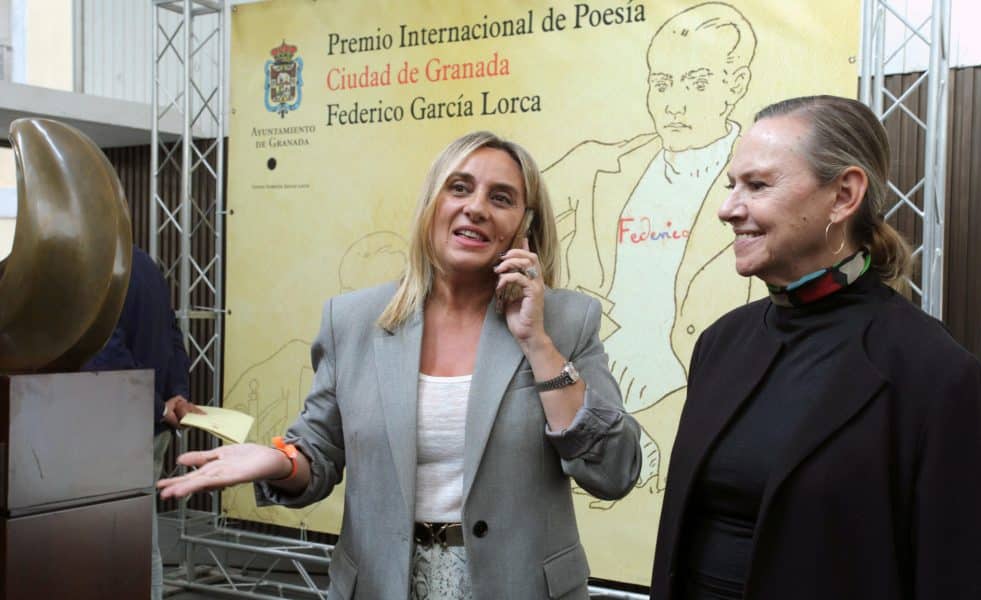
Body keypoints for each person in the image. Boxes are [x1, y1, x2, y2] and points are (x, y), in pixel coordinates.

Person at [158, 131, 642, 599]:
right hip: (381, 583)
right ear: (432, 203)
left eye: (501, 198)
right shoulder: (352, 321)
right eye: (459, 187)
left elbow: (614, 471)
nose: (475, 207)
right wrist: (281, 461)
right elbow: (318, 452)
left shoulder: (567, 321)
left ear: (525, 225)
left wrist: (538, 344)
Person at [650, 95, 981, 599]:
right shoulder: (720, 344)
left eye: (758, 185)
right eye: (731, 186)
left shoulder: (934, 375)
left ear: (843, 195)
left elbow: (960, 578)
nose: (728, 209)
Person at [543, 2, 758, 488]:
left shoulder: (761, 186)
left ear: (737, 83)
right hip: (585, 413)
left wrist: (673, 414)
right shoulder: (600, 166)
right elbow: (507, 225)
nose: (674, 103)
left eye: (697, 83)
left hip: (694, 421)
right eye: (662, 83)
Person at [82, 244, 203, 600]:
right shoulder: (145, 264)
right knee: (138, 538)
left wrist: (159, 408)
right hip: (149, 424)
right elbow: (172, 335)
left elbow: (104, 353)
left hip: (112, 425)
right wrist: (175, 397)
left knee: (119, 546)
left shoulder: (92, 266)